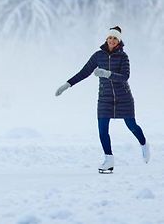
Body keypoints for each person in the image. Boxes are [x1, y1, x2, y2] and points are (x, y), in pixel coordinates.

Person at [55, 26, 150, 173]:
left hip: (123, 97)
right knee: (102, 130)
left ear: (119, 41)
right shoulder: (98, 56)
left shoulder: (123, 57)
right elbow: (84, 72)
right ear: (106, 39)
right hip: (105, 98)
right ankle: (108, 160)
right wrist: (68, 84)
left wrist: (106, 73)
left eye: (115, 38)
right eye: (110, 38)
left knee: (131, 125)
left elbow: (125, 77)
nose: (112, 40)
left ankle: (144, 144)